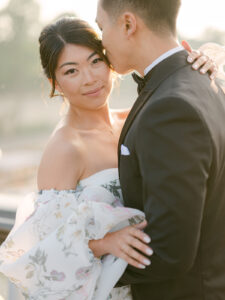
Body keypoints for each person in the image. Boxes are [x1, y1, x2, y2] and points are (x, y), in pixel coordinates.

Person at [0, 16, 222, 300]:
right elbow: (45, 250)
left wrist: (201, 65)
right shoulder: (66, 149)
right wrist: (104, 243)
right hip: (110, 288)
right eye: (71, 71)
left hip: (156, 283)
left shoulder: (139, 118)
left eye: (95, 62)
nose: (90, 78)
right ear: (54, 82)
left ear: (110, 62)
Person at [95, 0, 225, 299]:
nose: (101, 43)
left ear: (128, 24)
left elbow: (169, 251)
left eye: (102, 27)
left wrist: (80, 264)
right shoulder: (207, 79)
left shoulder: (170, 108)